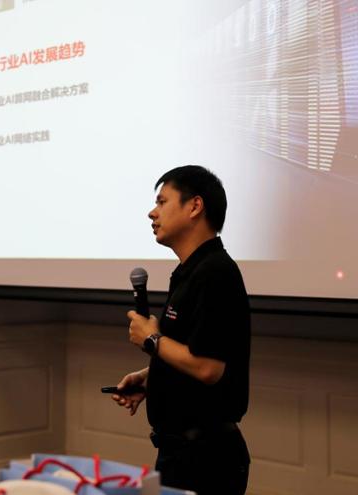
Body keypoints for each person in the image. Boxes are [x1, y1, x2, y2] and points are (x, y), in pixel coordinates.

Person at [112, 165, 251, 494]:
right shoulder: (190, 271)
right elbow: (194, 349)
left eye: (162, 202)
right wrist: (151, 377)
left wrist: (151, 339)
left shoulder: (216, 272)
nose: (152, 212)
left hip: (206, 459)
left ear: (195, 206)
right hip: (182, 453)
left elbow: (208, 367)